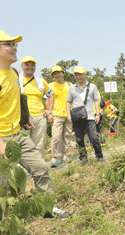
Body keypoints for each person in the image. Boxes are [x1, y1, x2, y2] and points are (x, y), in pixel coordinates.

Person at [0, 30, 68, 218]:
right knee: (3, 184)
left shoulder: (13, 73)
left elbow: (19, 96)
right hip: (1, 139)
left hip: (18, 135)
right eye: (9, 44)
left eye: (15, 44)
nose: (14, 48)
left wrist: (26, 115)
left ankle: (47, 209)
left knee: (41, 168)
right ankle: (5, 222)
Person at [66, 67, 104, 165]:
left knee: (93, 137)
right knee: (79, 139)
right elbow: (68, 102)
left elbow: (96, 100)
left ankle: (99, 156)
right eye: (76, 75)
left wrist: (97, 114)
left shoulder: (92, 87)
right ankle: (83, 158)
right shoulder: (72, 88)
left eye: (80, 74)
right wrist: (68, 115)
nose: (78, 77)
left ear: (85, 75)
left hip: (90, 116)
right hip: (76, 117)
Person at [20, 56, 54, 159]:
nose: (30, 67)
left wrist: (49, 110)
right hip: (22, 118)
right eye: (27, 64)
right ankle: (24, 170)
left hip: (39, 117)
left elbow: (51, 94)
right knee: (23, 144)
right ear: (22, 66)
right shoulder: (17, 80)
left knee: (39, 145)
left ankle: (40, 169)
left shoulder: (41, 81)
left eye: (32, 65)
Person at [49, 65, 73, 167]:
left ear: (62, 73)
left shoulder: (69, 85)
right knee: (56, 136)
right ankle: (55, 157)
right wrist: (49, 113)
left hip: (69, 114)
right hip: (56, 115)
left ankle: (64, 155)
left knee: (67, 135)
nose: (57, 75)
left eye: (58, 72)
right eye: (54, 73)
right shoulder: (50, 85)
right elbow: (47, 99)